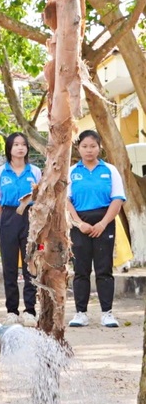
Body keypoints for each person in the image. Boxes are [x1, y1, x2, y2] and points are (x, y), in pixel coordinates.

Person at [67, 129, 125, 328]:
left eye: (93, 146)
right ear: (78, 148)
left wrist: (103, 223)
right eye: (84, 146)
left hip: (105, 221)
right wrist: (79, 223)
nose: (89, 150)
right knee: (81, 269)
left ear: (99, 147)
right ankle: (80, 313)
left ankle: (107, 313)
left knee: (104, 268)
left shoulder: (110, 170)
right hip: (79, 223)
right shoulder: (72, 172)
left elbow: (117, 199)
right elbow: (66, 201)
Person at [0, 132, 41, 327]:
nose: (20, 148)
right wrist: (5, 223)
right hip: (9, 218)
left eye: (23, 144)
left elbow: (40, 197)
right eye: (16, 144)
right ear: (9, 148)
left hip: (30, 218)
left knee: (30, 265)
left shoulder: (35, 172)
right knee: (9, 267)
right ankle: (12, 311)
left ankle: (30, 310)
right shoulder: (0, 173)